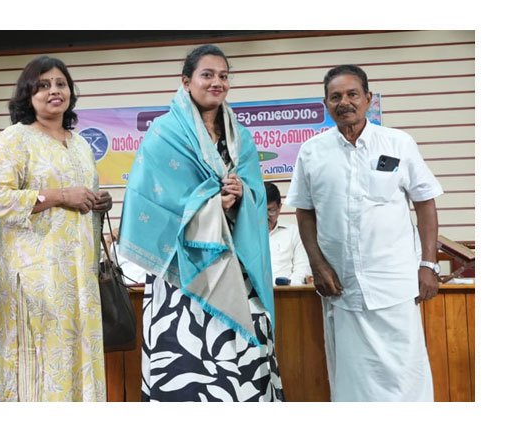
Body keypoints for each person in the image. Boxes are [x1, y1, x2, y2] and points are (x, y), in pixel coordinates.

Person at [118, 45, 284, 402]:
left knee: (241, 352)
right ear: (186, 82)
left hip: (234, 265)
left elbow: (256, 195)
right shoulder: (165, 133)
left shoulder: (240, 135)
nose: (217, 82)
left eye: (223, 76)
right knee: (187, 354)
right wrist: (210, 205)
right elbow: (154, 200)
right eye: (207, 75)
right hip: (182, 268)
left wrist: (241, 197)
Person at [285, 64, 442, 401]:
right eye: (336, 96)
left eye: (352, 94)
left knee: (406, 377)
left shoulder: (398, 142)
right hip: (343, 288)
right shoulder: (312, 151)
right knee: (353, 381)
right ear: (325, 104)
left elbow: (425, 203)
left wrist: (429, 265)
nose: (345, 102)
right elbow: (304, 211)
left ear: (368, 99)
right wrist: (318, 264)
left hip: (396, 286)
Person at [0, 56, 111, 402]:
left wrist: (98, 202)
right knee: (38, 356)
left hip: (79, 275)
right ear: (28, 94)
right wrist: (59, 196)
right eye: (43, 85)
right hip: (37, 275)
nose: (54, 90)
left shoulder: (81, 145)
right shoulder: (15, 139)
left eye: (60, 84)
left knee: (77, 354)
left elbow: (79, 201)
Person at [264, 182, 310, 285]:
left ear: (279, 208)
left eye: (271, 211)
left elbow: (303, 269)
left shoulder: (294, 232)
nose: (266, 216)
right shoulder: (245, 235)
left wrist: (287, 287)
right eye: (261, 211)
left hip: (286, 295)